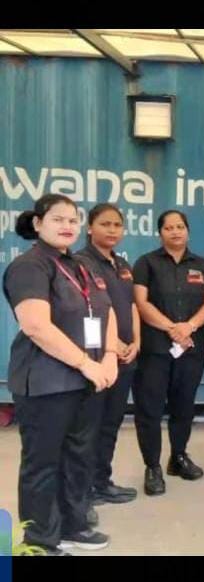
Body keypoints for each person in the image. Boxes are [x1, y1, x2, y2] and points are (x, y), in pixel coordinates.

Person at [3, 193, 118, 555]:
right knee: (43, 463)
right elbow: (36, 326)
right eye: (57, 219)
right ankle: (40, 540)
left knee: (79, 456)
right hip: (46, 382)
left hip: (88, 380)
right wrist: (86, 363)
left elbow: (108, 311)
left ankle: (73, 526)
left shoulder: (82, 265)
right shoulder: (29, 266)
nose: (67, 226)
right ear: (38, 224)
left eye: (72, 220)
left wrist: (110, 356)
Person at [132, 210, 204, 496]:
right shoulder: (146, 263)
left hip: (191, 347)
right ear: (160, 233)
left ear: (188, 230)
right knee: (150, 409)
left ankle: (178, 457)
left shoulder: (201, 264)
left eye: (180, 226)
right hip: (155, 348)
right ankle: (152, 467)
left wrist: (189, 326)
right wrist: (172, 328)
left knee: (184, 406)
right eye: (169, 228)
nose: (175, 232)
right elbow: (141, 303)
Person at [76, 204, 139, 507]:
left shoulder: (122, 264)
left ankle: (101, 482)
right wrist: (113, 344)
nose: (112, 230)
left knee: (111, 425)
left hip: (125, 359)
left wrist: (136, 342)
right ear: (90, 228)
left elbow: (131, 306)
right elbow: (86, 312)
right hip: (98, 359)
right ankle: (82, 492)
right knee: (88, 428)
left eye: (117, 224)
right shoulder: (80, 263)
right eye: (105, 224)